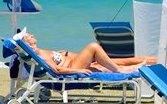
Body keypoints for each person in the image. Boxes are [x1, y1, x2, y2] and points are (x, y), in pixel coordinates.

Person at [19, 31, 156, 75]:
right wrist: (78, 71)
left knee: (105, 66)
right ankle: (121, 71)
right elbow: (56, 69)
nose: (31, 34)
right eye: (28, 36)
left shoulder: (38, 51)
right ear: (26, 44)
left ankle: (136, 67)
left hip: (75, 61)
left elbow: (55, 62)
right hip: (74, 66)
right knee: (93, 46)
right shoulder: (39, 54)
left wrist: (62, 54)